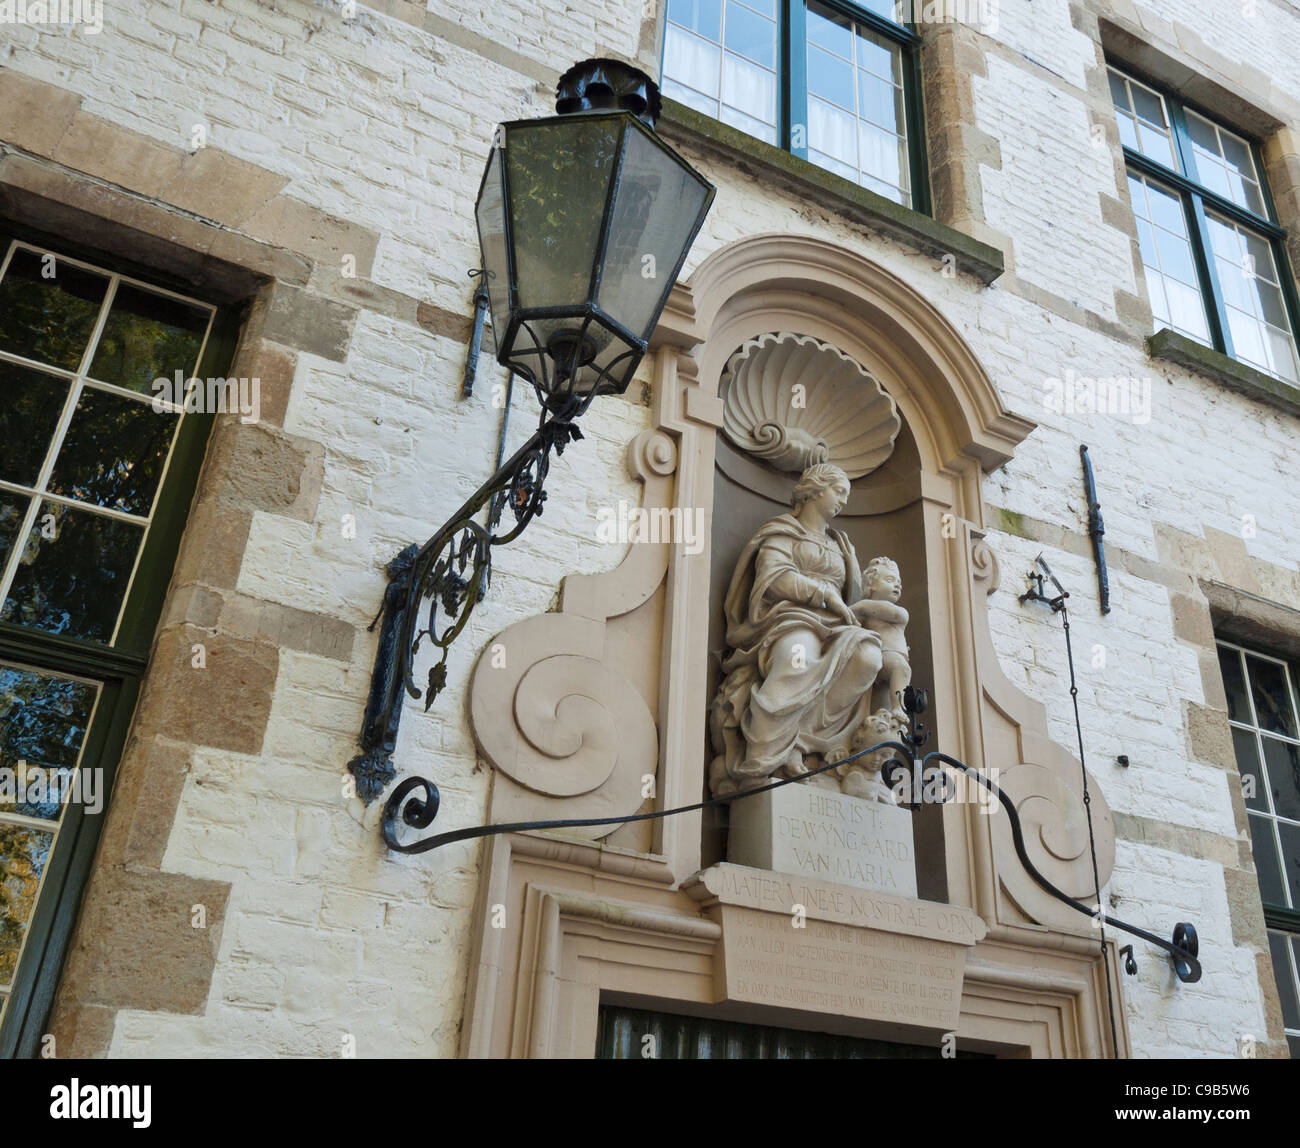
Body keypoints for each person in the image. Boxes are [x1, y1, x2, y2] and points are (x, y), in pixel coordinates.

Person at [709, 463, 887, 796]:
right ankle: (761, 761)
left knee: (869, 658)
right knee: (798, 658)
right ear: (816, 488)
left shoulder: (841, 545)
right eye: (839, 491)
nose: (843, 501)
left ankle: (802, 744)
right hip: (790, 617)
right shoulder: (780, 533)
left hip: (837, 625)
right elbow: (774, 579)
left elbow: (854, 595)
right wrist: (822, 594)